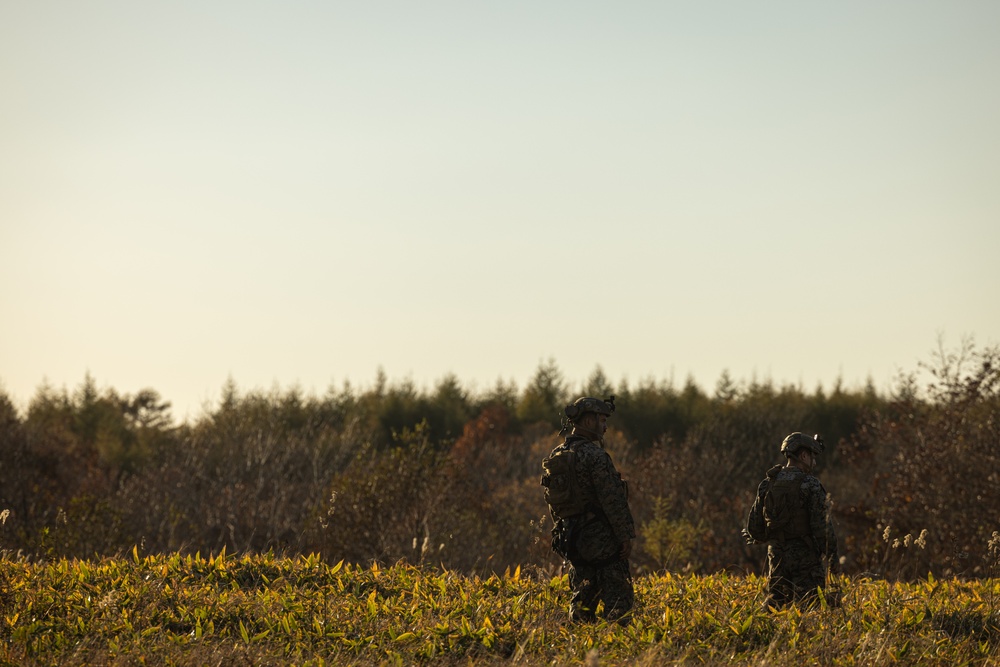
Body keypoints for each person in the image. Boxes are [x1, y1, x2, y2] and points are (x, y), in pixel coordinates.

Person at [540, 396, 635, 623]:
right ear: (589, 422)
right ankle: (617, 652)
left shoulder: (557, 455)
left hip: (572, 540)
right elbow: (612, 500)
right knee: (619, 602)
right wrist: (625, 536)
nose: (605, 426)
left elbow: (554, 500)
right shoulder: (596, 456)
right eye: (602, 420)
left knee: (582, 601)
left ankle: (579, 651)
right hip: (603, 542)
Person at [748, 432, 839, 610]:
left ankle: (766, 638)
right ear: (804, 456)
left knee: (776, 609)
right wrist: (832, 555)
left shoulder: (768, 484)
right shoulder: (810, 484)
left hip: (776, 558)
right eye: (813, 456)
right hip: (806, 561)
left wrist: (773, 540)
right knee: (810, 610)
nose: (814, 462)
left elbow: (754, 528)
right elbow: (821, 527)